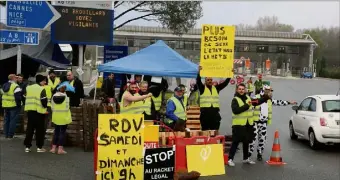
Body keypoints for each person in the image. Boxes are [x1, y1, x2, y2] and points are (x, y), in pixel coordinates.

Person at [248, 85, 297, 161]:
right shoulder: (256, 97)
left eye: (271, 91)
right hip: (255, 122)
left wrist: (289, 102)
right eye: (269, 91)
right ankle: (248, 155)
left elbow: (278, 102)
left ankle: (259, 153)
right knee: (252, 140)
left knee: (262, 139)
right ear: (264, 90)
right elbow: (250, 106)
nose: (270, 92)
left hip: (263, 122)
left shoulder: (269, 100)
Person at [23, 75, 48, 153]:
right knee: (40, 130)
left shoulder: (28, 88)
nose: (45, 82)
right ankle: (39, 147)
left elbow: (23, 97)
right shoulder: (41, 89)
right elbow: (44, 101)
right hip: (39, 112)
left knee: (30, 129)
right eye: (44, 81)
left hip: (30, 111)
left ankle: (27, 147)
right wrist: (45, 108)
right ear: (40, 81)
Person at [50, 84, 72, 154]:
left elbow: (52, 107)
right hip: (64, 117)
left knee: (56, 132)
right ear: (65, 90)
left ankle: (53, 148)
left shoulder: (53, 96)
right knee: (62, 132)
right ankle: (60, 149)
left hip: (56, 116)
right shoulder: (66, 97)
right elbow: (67, 107)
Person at [1, 74, 22, 139]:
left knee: (6, 120)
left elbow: (2, 94)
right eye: (16, 78)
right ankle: (10, 135)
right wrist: (19, 105)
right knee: (13, 121)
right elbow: (18, 98)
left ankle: (6, 134)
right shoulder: (16, 86)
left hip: (5, 105)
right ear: (13, 78)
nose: (17, 79)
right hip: (14, 106)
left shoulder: (4, 85)